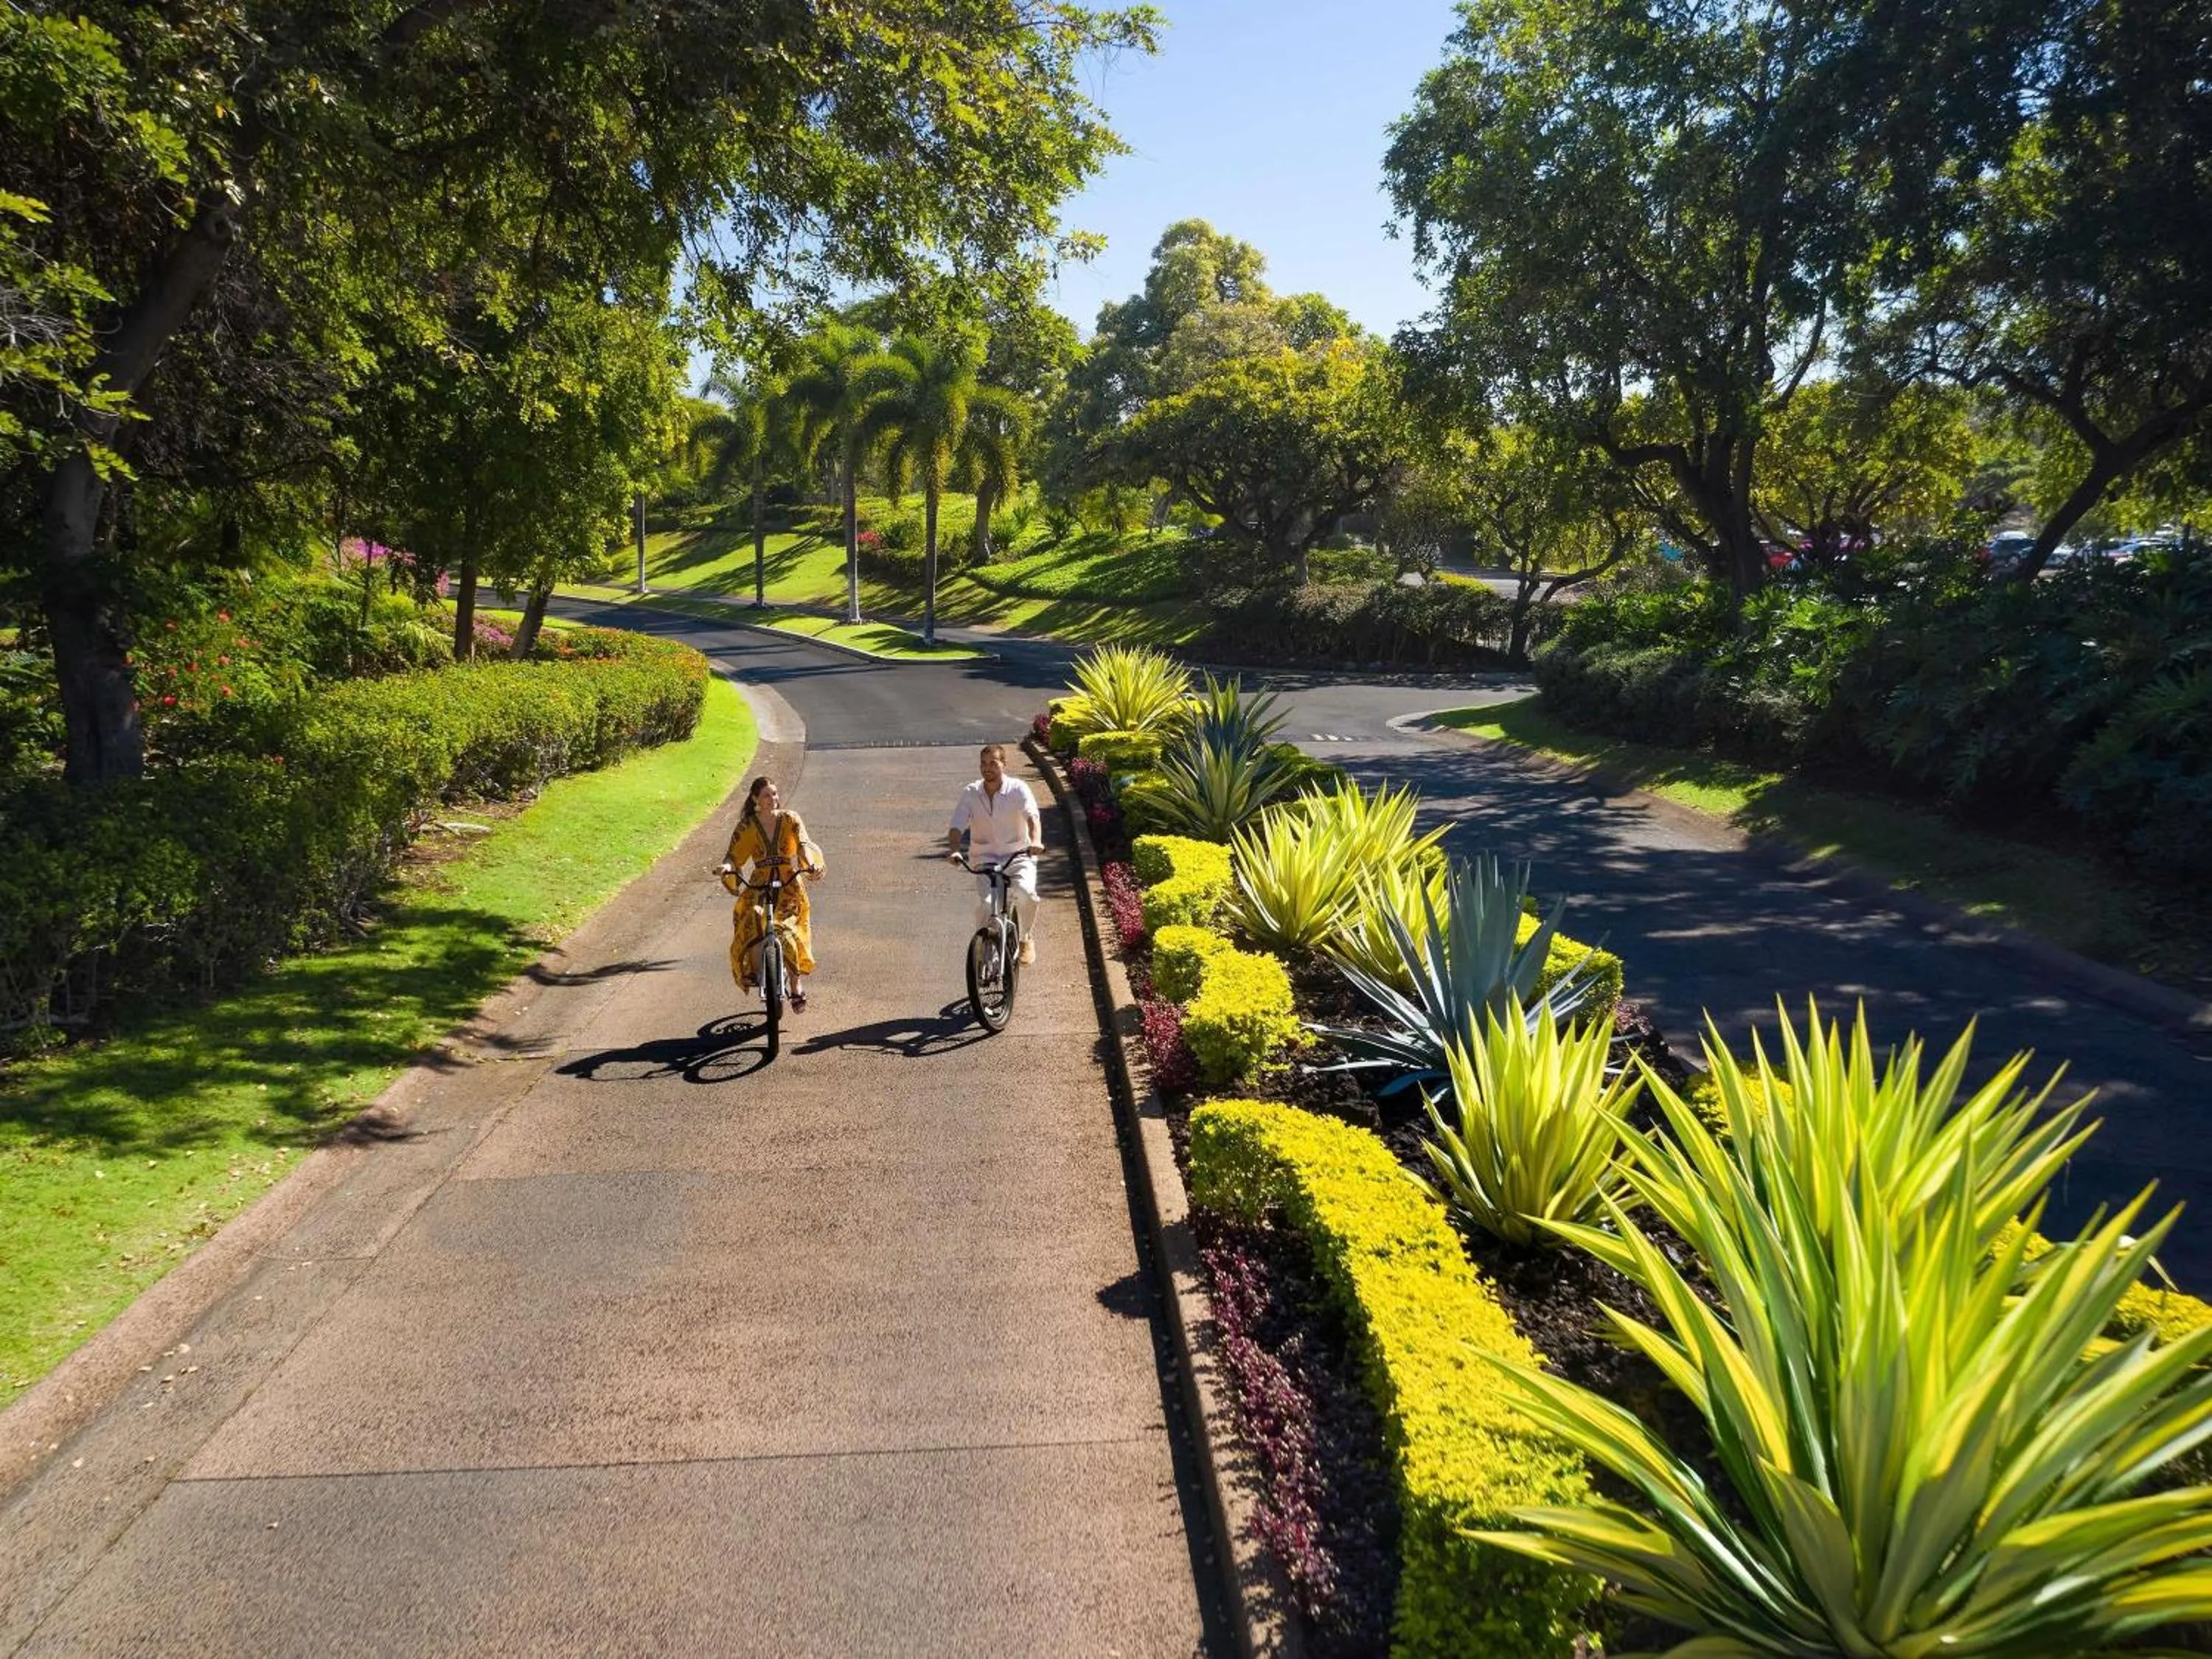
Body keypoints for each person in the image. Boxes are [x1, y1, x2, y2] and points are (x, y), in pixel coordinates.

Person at [718, 775, 824, 1012]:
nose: (772, 799)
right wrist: (726, 867)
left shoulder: (790, 818)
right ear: (755, 799)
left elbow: (803, 845)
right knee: (751, 918)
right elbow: (733, 856)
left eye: (774, 794)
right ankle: (755, 971)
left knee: (786, 929)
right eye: (766, 795)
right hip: (759, 885)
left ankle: (795, 985)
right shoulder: (747, 826)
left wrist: (810, 865)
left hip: (788, 885)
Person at [946, 742, 1043, 963]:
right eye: (983, 764)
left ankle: (1026, 938)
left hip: (1018, 856)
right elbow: (956, 825)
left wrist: (1036, 841)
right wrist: (955, 850)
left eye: (993, 763)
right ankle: (984, 950)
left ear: (1004, 764)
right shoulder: (971, 792)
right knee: (988, 905)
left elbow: (1032, 817)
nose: (987, 768)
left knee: (1026, 894)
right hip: (985, 859)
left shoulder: (1018, 789)